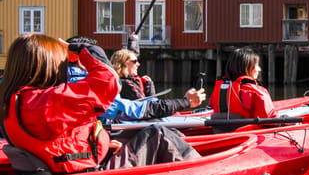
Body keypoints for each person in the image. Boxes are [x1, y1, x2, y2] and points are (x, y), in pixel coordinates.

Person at [0, 34, 198, 175]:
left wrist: (103, 149)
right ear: (45, 67)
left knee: (136, 136)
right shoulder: (44, 103)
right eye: (60, 64)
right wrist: (87, 50)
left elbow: (57, 141)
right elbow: (108, 82)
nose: (62, 69)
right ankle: (200, 174)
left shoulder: (21, 100)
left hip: (75, 169)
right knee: (158, 134)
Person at [64, 38, 205, 123]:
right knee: (158, 131)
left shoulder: (69, 81)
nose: (138, 64)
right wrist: (184, 102)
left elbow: (146, 104)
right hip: (116, 129)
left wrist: (150, 89)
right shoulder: (103, 86)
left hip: (108, 129)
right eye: (95, 59)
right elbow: (140, 110)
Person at [211, 47, 278, 119]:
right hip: (245, 129)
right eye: (257, 65)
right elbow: (268, 119)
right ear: (247, 68)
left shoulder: (219, 89)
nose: (260, 69)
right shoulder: (254, 91)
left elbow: (211, 106)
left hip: (219, 129)